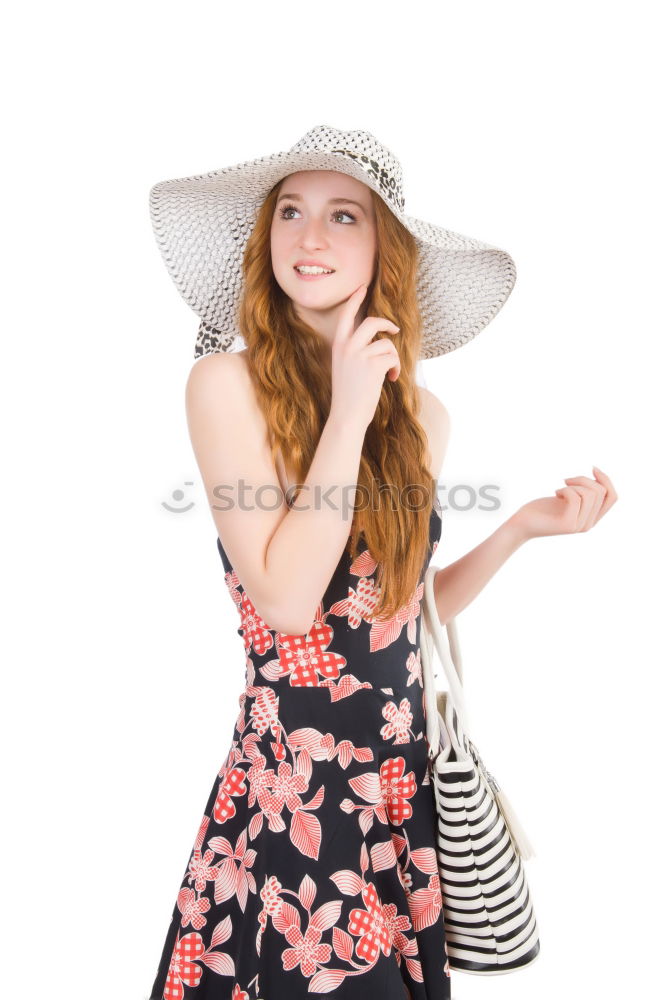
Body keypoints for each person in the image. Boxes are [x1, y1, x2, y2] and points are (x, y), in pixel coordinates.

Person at [146, 126, 617, 1000]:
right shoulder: (224, 386)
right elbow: (288, 602)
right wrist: (349, 408)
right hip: (293, 788)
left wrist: (516, 530)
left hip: (398, 786)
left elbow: (389, 610)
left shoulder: (423, 416)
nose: (309, 236)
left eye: (342, 216)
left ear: (382, 248)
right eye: (290, 212)